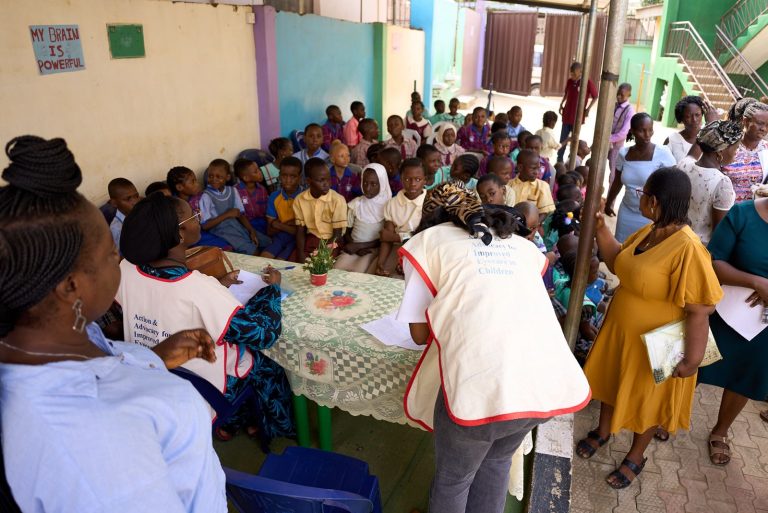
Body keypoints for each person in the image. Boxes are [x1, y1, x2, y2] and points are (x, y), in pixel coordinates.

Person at [0, 135, 228, 512]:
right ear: (71, 286)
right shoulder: (93, 446)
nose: (119, 260)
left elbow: (101, 366)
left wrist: (150, 358)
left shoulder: (60, 336)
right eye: (110, 254)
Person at [396, 182, 590, 513]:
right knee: (496, 463)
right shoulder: (515, 243)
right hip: (541, 384)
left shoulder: (428, 244)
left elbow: (418, 334)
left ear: (431, 220)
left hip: (482, 383)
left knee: (454, 480)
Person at [576, 167, 722, 489]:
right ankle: (603, 431)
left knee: (649, 398)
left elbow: (701, 308)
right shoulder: (649, 232)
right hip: (622, 332)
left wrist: (692, 360)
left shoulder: (688, 248)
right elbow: (619, 263)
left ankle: (636, 456)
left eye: (643, 194)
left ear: (654, 201)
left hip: (659, 342)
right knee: (613, 380)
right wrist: (601, 227)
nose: (640, 198)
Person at [119, 192, 294, 442]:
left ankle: (233, 422)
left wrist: (218, 286)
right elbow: (263, 334)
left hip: (153, 374)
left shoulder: (126, 269)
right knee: (267, 364)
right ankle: (266, 424)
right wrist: (272, 290)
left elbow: (167, 304)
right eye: (195, 215)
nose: (198, 219)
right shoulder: (198, 287)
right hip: (202, 385)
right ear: (179, 234)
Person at [697, 197, 768, 465]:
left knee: (747, 376)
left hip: (763, 326)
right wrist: (756, 282)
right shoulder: (743, 214)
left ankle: (721, 431)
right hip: (724, 310)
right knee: (696, 364)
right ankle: (669, 414)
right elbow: (714, 262)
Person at [605, 113, 677, 242]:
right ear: (632, 131)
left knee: (643, 251)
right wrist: (608, 202)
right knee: (623, 248)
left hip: (651, 215)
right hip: (627, 211)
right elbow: (617, 182)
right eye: (642, 131)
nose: (647, 135)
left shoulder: (662, 153)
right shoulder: (623, 154)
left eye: (650, 130)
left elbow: (674, 182)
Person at [680, 120, 740, 245]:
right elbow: (720, 230)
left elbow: (692, 152)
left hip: (676, 240)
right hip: (699, 249)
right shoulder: (722, 182)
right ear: (720, 152)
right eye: (736, 148)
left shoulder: (684, 165)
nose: (737, 152)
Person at [335, 163, 391, 273]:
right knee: (337, 269)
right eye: (364, 183)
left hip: (372, 249)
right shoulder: (356, 204)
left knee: (359, 273)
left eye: (373, 184)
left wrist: (360, 246)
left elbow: (385, 238)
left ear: (382, 184)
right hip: (353, 246)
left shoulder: (389, 207)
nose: (367, 188)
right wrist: (353, 245)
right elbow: (347, 231)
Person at [200, 159, 261, 255]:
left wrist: (251, 230)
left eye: (218, 177)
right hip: (222, 231)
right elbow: (205, 226)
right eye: (210, 176)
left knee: (265, 242)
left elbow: (240, 214)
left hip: (236, 226)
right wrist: (227, 214)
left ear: (227, 177)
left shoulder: (232, 190)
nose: (213, 179)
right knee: (253, 251)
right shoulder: (206, 196)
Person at [377, 158, 426, 276]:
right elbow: (386, 237)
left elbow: (425, 237)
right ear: (401, 179)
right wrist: (380, 263)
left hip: (423, 251)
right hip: (398, 249)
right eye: (407, 179)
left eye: (418, 179)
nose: (413, 184)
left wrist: (396, 237)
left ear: (425, 180)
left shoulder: (431, 203)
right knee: (385, 277)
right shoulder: (392, 204)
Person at [293, 157, 347, 263]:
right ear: (309, 181)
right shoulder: (300, 200)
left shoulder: (337, 200)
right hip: (312, 239)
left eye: (328, 178)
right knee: (296, 263)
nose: (326, 183)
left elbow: (337, 234)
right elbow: (300, 231)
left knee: (321, 266)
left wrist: (322, 253)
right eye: (321, 180)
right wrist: (300, 254)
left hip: (332, 241)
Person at [722, 97, 768, 203]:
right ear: (745, 121)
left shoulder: (766, 149)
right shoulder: (727, 147)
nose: (764, 129)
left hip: (756, 213)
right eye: (760, 123)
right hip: (727, 213)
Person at [261, 156, 302, 260]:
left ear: (300, 177)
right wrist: (290, 223)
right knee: (263, 259)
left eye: (293, 176)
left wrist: (278, 224)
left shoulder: (305, 197)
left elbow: (300, 231)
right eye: (284, 176)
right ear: (279, 176)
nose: (288, 180)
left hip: (298, 240)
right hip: (278, 238)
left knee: (281, 262)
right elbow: (270, 230)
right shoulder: (274, 197)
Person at [558, 62, 598, 163]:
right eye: (571, 74)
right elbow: (566, 93)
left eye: (574, 74)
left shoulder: (587, 82)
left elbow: (595, 96)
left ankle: (570, 159)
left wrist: (588, 109)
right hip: (567, 114)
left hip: (578, 117)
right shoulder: (570, 81)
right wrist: (561, 103)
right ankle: (559, 159)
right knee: (563, 138)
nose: (572, 76)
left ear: (580, 72)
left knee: (574, 139)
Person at [234, 157, 272, 247]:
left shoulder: (262, 190)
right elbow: (240, 215)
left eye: (258, 169)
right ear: (246, 178)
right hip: (246, 226)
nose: (260, 173)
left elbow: (267, 212)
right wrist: (251, 230)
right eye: (256, 172)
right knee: (267, 243)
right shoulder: (236, 191)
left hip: (263, 224)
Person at [509, 150, 554, 219]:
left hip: (532, 226)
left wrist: (536, 224)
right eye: (533, 168)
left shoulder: (543, 186)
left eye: (538, 168)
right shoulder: (509, 185)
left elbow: (544, 212)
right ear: (520, 168)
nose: (536, 172)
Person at [664, 96, 706, 163]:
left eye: (697, 115)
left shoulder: (709, 138)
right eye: (688, 116)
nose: (694, 120)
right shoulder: (672, 140)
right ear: (681, 119)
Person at [608, 83, 634, 183]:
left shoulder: (630, 111)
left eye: (622, 95)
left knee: (613, 173)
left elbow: (624, 133)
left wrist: (608, 139)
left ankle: (610, 198)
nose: (619, 96)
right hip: (607, 143)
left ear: (629, 95)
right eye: (618, 93)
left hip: (617, 146)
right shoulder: (614, 105)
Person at [107, 177, 140, 248]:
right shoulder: (116, 229)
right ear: (114, 203)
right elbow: (121, 257)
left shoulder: (140, 214)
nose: (135, 202)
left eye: (136, 196)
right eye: (128, 199)